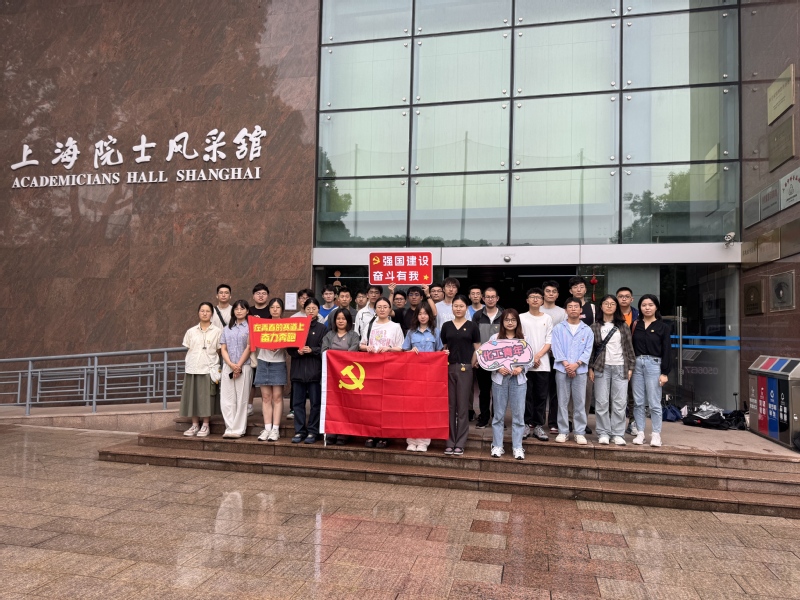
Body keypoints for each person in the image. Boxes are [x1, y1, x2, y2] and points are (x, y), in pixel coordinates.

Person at [589, 295, 636, 446]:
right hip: (601, 367)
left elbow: (629, 348)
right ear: (601, 306)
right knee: (601, 402)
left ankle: (617, 433)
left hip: (620, 366)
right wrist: (590, 368)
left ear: (616, 307)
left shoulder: (623, 326)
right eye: (606, 303)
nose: (609, 306)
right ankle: (603, 432)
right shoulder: (595, 327)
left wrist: (631, 367)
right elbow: (591, 350)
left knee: (620, 402)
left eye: (612, 304)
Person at [359, 297, 404, 449]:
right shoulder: (369, 325)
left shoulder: (395, 326)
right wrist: (367, 348)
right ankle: (371, 433)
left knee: (387, 402)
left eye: (385, 307)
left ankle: (385, 434)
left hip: (390, 370)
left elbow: (401, 348)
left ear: (390, 309)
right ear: (375, 309)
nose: (382, 309)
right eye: (379, 307)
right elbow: (361, 344)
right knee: (371, 402)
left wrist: (389, 349)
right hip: (372, 370)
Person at [440, 294, 481, 456]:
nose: (458, 309)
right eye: (455, 306)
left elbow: (477, 348)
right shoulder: (446, 326)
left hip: (465, 369)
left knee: (463, 406)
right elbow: (444, 347)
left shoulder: (472, 326)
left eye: (461, 306)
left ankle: (460, 442)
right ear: (452, 308)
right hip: (449, 368)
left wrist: (471, 364)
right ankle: (449, 441)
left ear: (466, 308)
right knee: (450, 406)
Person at [551, 297, 594, 445]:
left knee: (580, 402)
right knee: (562, 401)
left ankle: (579, 432)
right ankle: (563, 431)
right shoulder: (558, 328)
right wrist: (566, 364)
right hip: (562, 369)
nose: (573, 309)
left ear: (581, 310)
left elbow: (588, 350)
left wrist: (576, 364)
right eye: (570, 306)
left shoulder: (587, 330)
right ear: (566, 310)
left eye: (576, 306)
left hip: (580, 370)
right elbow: (556, 347)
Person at [631, 294, 672, 447]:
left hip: (654, 364)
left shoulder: (663, 327)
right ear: (640, 308)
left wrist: (665, 372)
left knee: (654, 402)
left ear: (656, 307)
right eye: (644, 305)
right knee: (638, 402)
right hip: (636, 364)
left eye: (650, 305)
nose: (647, 308)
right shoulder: (635, 325)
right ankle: (640, 433)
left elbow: (667, 350)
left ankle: (656, 434)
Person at [402, 304, 443, 452]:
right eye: (420, 314)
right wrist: (410, 352)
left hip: (430, 376)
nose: (423, 316)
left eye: (425, 313)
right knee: (412, 408)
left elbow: (439, 352)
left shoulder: (436, 332)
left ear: (430, 316)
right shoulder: (411, 333)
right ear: (416, 316)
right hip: (413, 375)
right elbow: (403, 353)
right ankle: (411, 440)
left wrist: (443, 355)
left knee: (426, 408)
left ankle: (424, 441)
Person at [489, 309, 530, 460]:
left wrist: (521, 368)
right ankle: (497, 445)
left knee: (518, 415)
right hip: (500, 379)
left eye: (513, 320)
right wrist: (498, 368)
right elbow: (488, 358)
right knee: (498, 414)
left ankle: (517, 447)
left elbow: (530, 359)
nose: (510, 322)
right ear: (502, 322)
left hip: (518, 380)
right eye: (507, 320)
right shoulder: (495, 338)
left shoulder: (524, 339)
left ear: (517, 322)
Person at [287, 298, 327, 444]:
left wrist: (312, 350)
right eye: (308, 308)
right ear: (304, 310)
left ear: (318, 310)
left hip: (314, 371)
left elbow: (324, 348)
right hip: (298, 370)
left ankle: (312, 431)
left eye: (314, 308)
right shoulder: (296, 326)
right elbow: (289, 347)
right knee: (298, 403)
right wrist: (297, 351)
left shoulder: (322, 328)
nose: (311, 311)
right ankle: (299, 431)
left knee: (315, 403)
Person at [181, 302, 222, 438]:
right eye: (202, 311)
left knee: (206, 398)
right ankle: (194, 425)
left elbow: (219, 350)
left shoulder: (217, 331)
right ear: (198, 313)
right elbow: (189, 348)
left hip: (209, 368)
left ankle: (205, 424)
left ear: (212, 314)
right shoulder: (191, 331)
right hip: (193, 368)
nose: (205, 313)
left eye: (208, 311)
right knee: (193, 397)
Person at [321, 308, 360, 446]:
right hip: (332, 376)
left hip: (348, 377)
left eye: (343, 318)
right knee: (333, 404)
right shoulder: (329, 335)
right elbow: (324, 352)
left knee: (346, 404)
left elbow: (352, 353)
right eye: (338, 318)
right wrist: (336, 357)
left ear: (348, 320)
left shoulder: (354, 335)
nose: (341, 321)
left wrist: (336, 356)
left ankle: (343, 432)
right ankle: (332, 431)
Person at [519, 288, 553, 442]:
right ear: (527, 300)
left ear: (542, 301)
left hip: (543, 364)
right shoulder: (521, 318)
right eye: (532, 297)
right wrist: (531, 358)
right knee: (526, 396)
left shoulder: (547, 318)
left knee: (541, 396)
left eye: (538, 297)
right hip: (524, 364)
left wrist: (537, 356)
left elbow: (549, 341)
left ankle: (538, 425)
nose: (535, 299)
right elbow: (519, 340)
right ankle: (526, 424)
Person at [255, 298, 288, 442]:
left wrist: (281, 345)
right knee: (266, 397)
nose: (275, 310)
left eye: (278, 307)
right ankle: (267, 428)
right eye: (272, 307)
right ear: (269, 309)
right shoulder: (263, 324)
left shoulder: (287, 325)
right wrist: (255, 324)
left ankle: (275, 429)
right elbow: (254, 340)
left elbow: (292, 341)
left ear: (282, 310)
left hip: (278, 363)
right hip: (263, 361)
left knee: (277, 397)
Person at [220, 300, 253, 438]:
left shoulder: (250, 327)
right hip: (228, 366)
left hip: (244, 366)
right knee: (227, 399)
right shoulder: (227, 328)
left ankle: (238, 429)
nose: (239, 311)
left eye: (242, 308)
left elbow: (249, 347)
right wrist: (231, 364)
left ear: (247, 311)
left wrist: (238, 365)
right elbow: (223, 348)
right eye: (236, 309)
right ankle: (229, 427)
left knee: (242, 399)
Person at [472, 286, 502, 428]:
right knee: (484, 391)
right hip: (483, 360)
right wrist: (476, 357)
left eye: (493, 297)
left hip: (499, 361)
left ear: (497, 298)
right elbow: (474, 338)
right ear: (483, 299)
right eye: (487, 297)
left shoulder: (503, 314)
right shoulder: (477, 316)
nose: (490, 299)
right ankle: (483, 418)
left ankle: (498, 418)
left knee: (498, 391)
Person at [568, 276, 594, 433]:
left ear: (585, 289)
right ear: (570, 290)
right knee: (568, 391)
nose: (578, 289)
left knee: (586, 391)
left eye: (581, 286)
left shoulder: (593, 308)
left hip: (587, 356)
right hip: (569, 357)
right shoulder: (567, 308)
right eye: (575, 287)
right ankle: (569, 420)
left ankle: (582, 421)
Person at [542, 280, 566, 434]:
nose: (551, 294)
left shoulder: (563, 313)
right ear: (543, 294)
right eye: (548, 291)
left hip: (556, 356)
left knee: (556, 390)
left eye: (554, 291)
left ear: (557, 295)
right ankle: (536, 421)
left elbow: (564, 334)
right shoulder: (536, 310)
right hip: (540, 356)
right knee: (539, 390)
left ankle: (553, 422)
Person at [616, 286, 640, 436]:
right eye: (621, 296)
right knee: (614, 394)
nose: (624, 298)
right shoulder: (611, 314)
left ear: (632, 299)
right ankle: (613, 423)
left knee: (633, 392)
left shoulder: (638, 315)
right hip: (615, 356)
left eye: (627, 296)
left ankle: (632, 422)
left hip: (633, 356)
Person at [248, 283, 271, 416]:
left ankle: (266, 406)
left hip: (267, 350)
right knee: (251, 380)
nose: (261, 296)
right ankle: (249, 405)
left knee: (266, 380)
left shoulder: (271, 310)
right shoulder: (248, 311)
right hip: (252, 350)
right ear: (253, 296)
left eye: (263, 293)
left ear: (267, 296)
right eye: (258, 293)